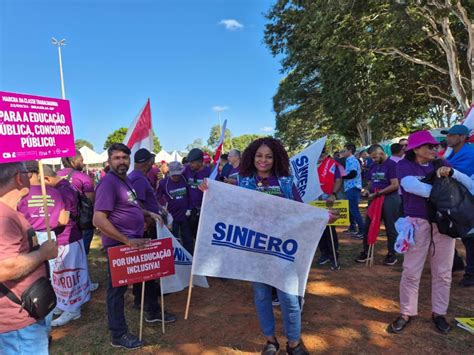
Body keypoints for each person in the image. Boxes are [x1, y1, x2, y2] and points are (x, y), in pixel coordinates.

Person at [234, 137, 308, 355]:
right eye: (259, 156)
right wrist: (208, 190)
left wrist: (323, 216)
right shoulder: (243, 180)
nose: (263, 160)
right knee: (261, 295)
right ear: (252, 157)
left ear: (276, 158)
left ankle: (293, 344)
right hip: (256, 248)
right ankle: (270, 342)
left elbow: (301, 211)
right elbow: (232, 205)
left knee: (289, 298)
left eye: (268, 156)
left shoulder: (285, 181)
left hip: (283, 248)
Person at [389, 130, 455, 334]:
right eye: (430, 146)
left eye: (436, 146)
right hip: (417, 223)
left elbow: (455, 185)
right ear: (416, 149)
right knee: (411, 271)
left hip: (443, 223)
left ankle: (439, 313)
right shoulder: (404, 165)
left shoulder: (442, 163)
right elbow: (411, 186)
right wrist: (440, 192)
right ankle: (406, 312)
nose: (435, 149)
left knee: (443, 272)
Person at [93, 143, 154, 350]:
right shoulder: (108, 183)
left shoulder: (125, 180)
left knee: (130, 284)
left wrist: (147, 214)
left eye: (125, 158)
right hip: (119, 246)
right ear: (109, 161)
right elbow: (99, 220)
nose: (121, 161)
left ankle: (147, 311)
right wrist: (127, 240)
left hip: (131, 244)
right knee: (116, 291)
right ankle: (118, 335)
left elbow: (130, 206)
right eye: (117, 158)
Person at [0, 162, 58, 354]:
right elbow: (3, 269)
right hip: (18, 323)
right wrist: (43, 253)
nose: (32, 178)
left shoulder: (10, 212)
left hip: (26, 313)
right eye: (28, 173)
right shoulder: (3, 218)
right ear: (18, 177)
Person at [128, 148, 177, 323]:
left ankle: (138, 299)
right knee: (149, 269)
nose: (153, 164)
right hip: (146, 227)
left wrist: (158, 208)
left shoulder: (136, 176)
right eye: (151, 160)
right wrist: (149, 218)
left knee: (143, 268)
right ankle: (152, 310)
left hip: (145, 225)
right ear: (146, 162)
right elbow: (138, 205)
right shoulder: (138, 179)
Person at [41, 165, 91, 327]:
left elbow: (63, 218)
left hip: (67, 238)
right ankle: (64, 304)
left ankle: (73, 308)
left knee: (69, 274)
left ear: (47, 179)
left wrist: (42, 225)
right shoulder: (63, 187)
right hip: (66, 237)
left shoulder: (63, 191)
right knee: (61, 274)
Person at [355, 145, 401, 265]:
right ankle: (366, 251)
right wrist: (366, 190)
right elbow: (371, 183)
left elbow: (395, 184)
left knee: (390, 227)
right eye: (372, 157)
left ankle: (392, 254)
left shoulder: (392, 165)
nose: (374, 160)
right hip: (374, 199)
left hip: (389, 199)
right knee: (368, 226)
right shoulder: (373, 166)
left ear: (381, 152)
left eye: (375, 157)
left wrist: (378, 193)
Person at [442, 124, 474, 287]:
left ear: (462, 137)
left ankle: (471, 273)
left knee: (470, 238)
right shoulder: (452, 153)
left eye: (452, 135)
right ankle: (457, 263)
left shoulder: (470, 153)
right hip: (458, 201)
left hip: (469, 201)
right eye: (448, 135)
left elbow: (455, 175)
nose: (448, 137)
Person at [57, 151, 96, 255]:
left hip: (59, 222)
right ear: (73, 162)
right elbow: (91, 200)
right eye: (81, 160)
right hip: (82, 223)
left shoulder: (55, 175)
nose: (83, 163)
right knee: (82, 254)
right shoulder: (83, 177)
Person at [156, 161, 193, 254]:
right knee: (175, 241)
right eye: (173, 175)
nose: (176, 177)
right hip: (172, 218)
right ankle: (176, 261)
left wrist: (189, 208)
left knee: (188, 239)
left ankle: (190, 259)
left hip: (185, 216)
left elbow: (190, 194)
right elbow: (156, 198)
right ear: (169, 173)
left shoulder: (184, 179)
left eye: (177, 174)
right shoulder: (163, 183)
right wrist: (162, 209)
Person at [317, 149, 342, 267]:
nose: (320, 156)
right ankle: (324, 253)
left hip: (327, 197)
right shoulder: (310, 164)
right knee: (318, 228)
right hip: (314, 199)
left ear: (326, 154)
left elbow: (338, 179)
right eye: (318, 154)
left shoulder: (332, 164)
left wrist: (333, 194)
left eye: (322, 154)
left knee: (330, 228)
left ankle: (333, 255)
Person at [183, 148, 211, 240]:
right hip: (191, 211)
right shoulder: (187, 169)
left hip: (204, 211)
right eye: (189, 162)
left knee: (203, 237)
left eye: (192, 162)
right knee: (191, 236)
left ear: (200, 162)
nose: (190, 164)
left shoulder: (209, 173)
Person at [341, 143, 364, 237]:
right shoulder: (348, 160)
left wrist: (342, 177)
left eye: (344, 150)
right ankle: (352, 227)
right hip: (349, 188)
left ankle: (362, 230)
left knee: (354, 209)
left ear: (349, 151)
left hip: (353, 187)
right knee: (350, 209)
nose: (343, 152)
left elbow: (353, 173)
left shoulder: (352, 160)